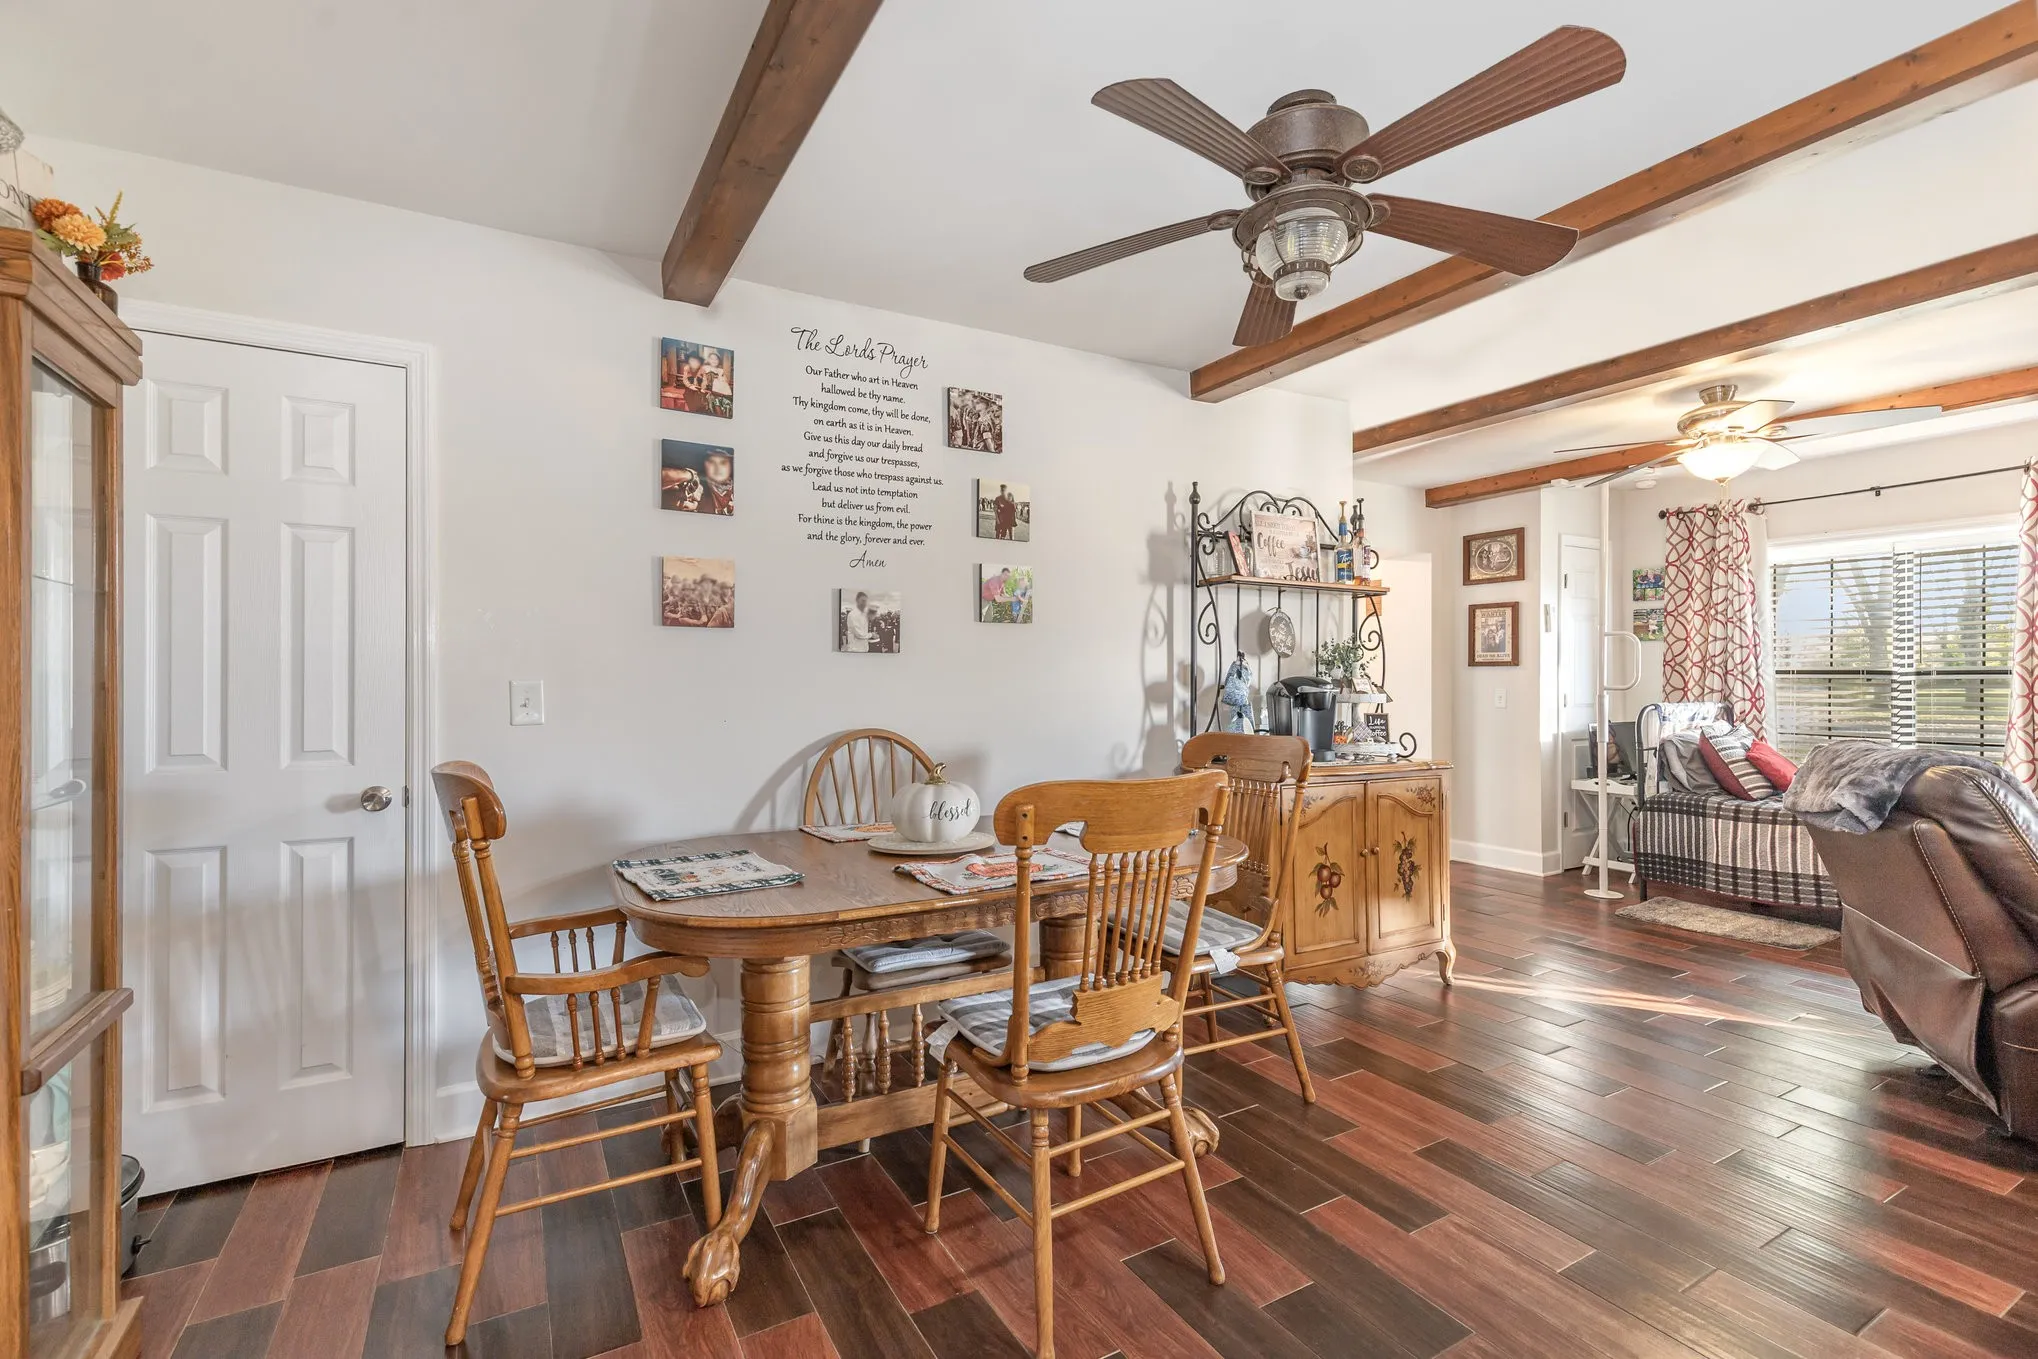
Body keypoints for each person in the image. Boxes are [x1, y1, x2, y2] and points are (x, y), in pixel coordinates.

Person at [698, 450, 734, 515]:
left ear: (731, 465)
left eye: (723, 462)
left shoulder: (740, 489)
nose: (717, 468)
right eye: (712, 462)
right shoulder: (696, 486)